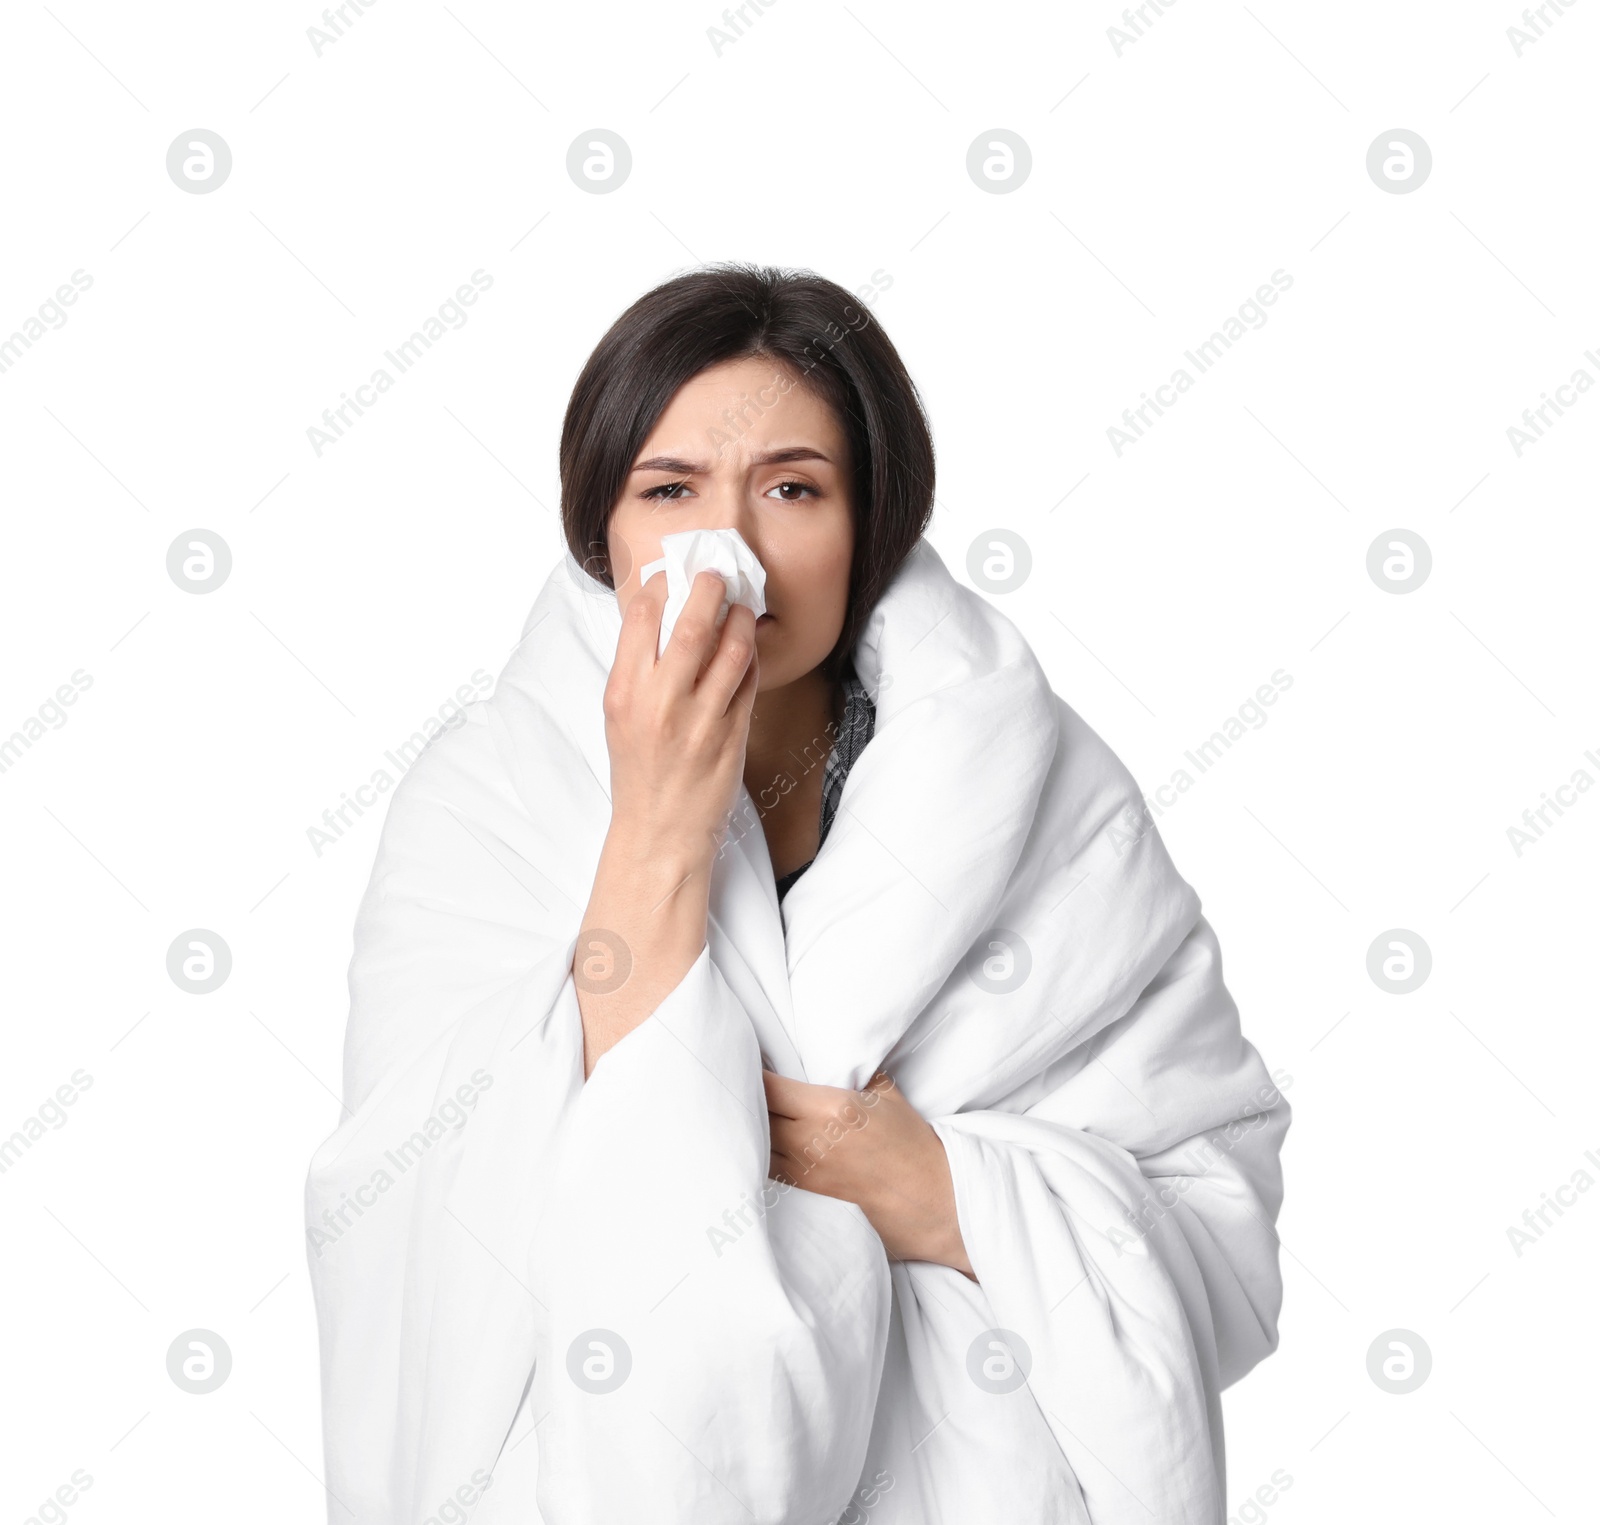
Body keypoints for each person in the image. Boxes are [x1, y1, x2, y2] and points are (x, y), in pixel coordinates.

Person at [305, 263, 1290, 1525]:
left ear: (869, 522)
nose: (732, 549)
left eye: (790, 489)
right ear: (600, 531)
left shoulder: (1047, 790)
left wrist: (949, 1194)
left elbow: (1219, 1219)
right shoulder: (485, 797)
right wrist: (657, 821)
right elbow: (411, 1218)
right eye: (670, 492)